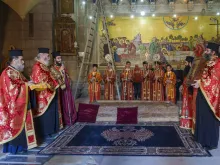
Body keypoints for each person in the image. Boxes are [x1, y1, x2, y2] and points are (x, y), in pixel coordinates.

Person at [0, 49, 37, 154]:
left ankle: (23, 146)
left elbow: (22, 83)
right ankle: (15, 148)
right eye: (21, 59)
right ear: (14, 60)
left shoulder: (16, 72)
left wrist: (28, 83)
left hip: (22, 105)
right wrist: (26, 85)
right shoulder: (7, 72)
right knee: (15, 128)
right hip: (12, 108)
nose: (23, 62)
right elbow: (12, 90)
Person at [192, 42, 220, 150]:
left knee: (210, 118)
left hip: (211, 97)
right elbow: (204, 76)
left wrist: (201, 83)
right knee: (202, 116)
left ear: (213, 52)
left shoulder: (218, 63)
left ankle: (210, 142)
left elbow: (215, 80)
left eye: (207, 50)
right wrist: (197, 81)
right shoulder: (209, 62)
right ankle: (202, 139)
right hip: (203, 94)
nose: (205, 52)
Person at [31, 48, 63, 139]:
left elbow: (51, 76)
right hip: (43, 95)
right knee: (46, 114)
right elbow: (39, 79)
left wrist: (56, 81)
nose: (49, 58)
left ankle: (52, 130)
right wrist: (53, 83)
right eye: (47, 56)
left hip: (51, 93)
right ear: (41, 56)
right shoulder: (37, 66)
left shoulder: (45, 66)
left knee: (51, 112)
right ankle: (46, 132)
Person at [51, 51, 77, 126]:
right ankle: (64, 120)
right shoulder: (52, 68)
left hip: (66, 89)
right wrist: (60, 71)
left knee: (68, 102)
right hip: (59, 90)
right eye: (58, 58)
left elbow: (67, 76)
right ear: (54, 59)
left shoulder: (62, 66)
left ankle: (70, 118)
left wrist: (67, 77)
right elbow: (54, 77)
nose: (60, 60)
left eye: (60, 58)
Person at [179, 56, 194, 129]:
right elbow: (185, 80)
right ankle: (185, 122)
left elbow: (190, 81)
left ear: (190, 63)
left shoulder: (192, 70)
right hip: (186, 91)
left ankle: (189, 123)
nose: (185, 64)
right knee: (185, 104)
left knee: (189, 105)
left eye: (186, 62)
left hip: (189, 92)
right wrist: (182, 85)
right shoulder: (187, 69)